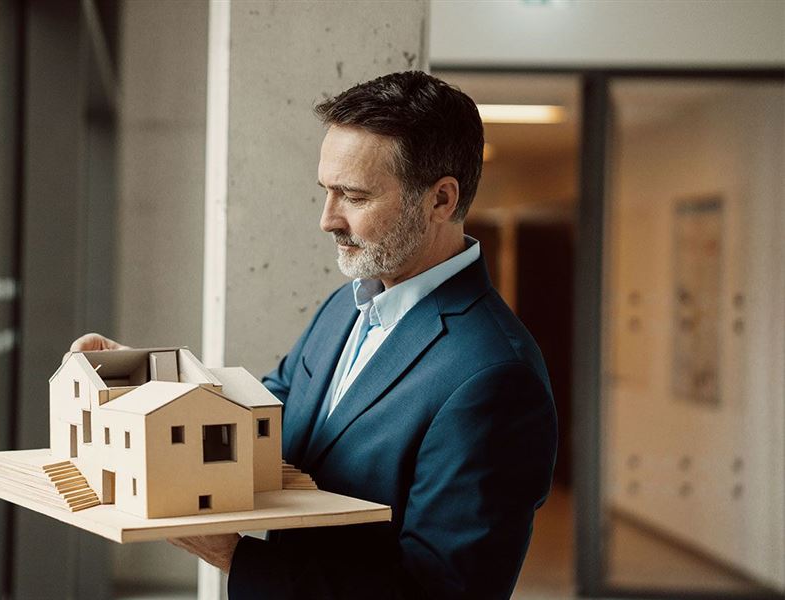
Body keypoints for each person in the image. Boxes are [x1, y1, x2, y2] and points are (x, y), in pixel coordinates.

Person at [71, 71, 557, 599]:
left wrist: (233, 555)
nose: (327, 220)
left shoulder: (496, 378)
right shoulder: (346, 307)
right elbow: (265, 413)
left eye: (353, 196)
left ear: (440, 200)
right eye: (326, 191)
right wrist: (151, 382)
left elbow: (439, 592)